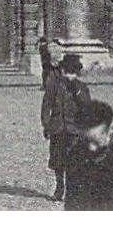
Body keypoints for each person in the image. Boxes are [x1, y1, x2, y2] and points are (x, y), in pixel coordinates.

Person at [41, 52, 91, 202]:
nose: (69, 75)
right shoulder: (54, 86)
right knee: (57, 159)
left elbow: (86, 107)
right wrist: (46, 124)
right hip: (57, 128)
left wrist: (76, 90)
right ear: (62, 71)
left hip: (74, 130)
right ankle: (59, 186)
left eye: (73, 72)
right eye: (67, 72)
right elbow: (46, 106)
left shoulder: (81, 87)